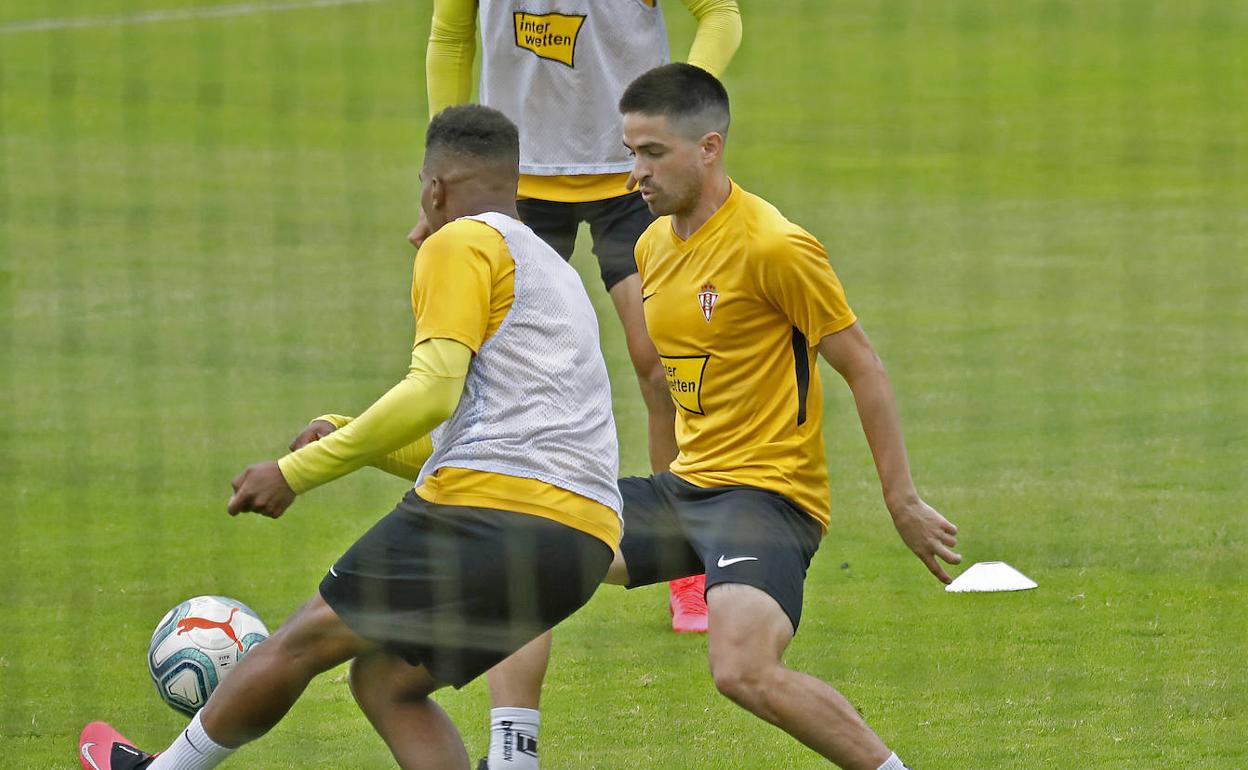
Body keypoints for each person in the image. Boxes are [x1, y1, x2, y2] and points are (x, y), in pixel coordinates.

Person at [76, 104, 623, 770]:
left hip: (489, 516)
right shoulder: (554, 273)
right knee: (385, 680)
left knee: (300, 643)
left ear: (434, 189)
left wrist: (294, 473)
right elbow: (477, 433)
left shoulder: (459, 242)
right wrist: (348, 434)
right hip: (583, 542)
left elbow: (432, 391)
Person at [471, 64, 964, 769]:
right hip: (686, 492)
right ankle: (512, 759)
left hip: (767, 499)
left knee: (741, 670)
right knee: (520, 543)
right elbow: (674, 388)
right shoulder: (650, 246)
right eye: (629, 152)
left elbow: (864, 368)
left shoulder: (774, 247)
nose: (633, 173)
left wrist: (903, 500)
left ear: (708, 147)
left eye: (652, 153)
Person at [413, 0, 744, 641]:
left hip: (632, 179)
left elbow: (721, 14)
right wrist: (444, 177)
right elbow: (450, 36)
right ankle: (469, 551)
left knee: (661, 367)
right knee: (482, 372)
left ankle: (686, 569)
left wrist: (675, 117)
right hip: (511, 182)